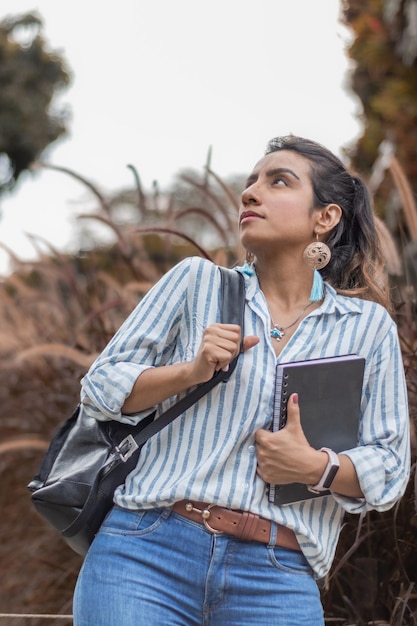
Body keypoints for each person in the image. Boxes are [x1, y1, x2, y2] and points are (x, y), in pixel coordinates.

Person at [73, 135, 410, 626]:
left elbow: (390, 466)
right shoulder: (197, 282)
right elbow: (100, 388)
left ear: (326, 217)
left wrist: (315, 466)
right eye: (251, 181)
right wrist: (190, 372)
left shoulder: (367, 327)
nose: (251, 193)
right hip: (146, 554)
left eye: (278, 181)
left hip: (277, 577)